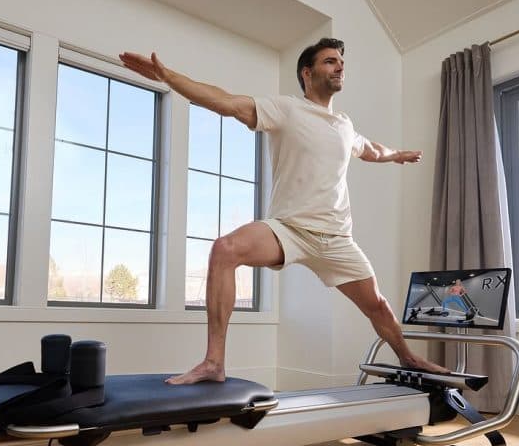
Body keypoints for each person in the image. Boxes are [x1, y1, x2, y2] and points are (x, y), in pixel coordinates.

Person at [119, 38, 447, 384]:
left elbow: (371, 150)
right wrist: (169, 77)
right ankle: (214, 362)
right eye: (329, 61)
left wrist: (397, 154)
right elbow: (227, 102)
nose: (339, 67)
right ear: (307, 73)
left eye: (341, 63)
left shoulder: (345, 125)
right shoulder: (286, 109)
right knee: (225, 249)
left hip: (336, 237)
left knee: (378, 306)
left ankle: (409, 358)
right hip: (288, 229)